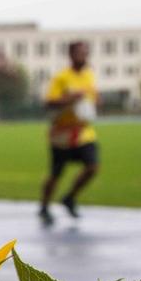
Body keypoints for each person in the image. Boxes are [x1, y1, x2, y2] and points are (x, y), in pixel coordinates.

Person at [39, 41, 100, 226]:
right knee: (55, 174)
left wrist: (96, 101)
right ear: (71, 55)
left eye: (86, 53)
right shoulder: (61, 78)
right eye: (80, 53)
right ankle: (44, 206)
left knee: (93, 167)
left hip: (83, 132)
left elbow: (93, 96)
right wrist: (70, 98)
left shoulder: (89, 75)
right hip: (63, 134)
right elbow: (49, 103)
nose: (84, 56)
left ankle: (70, 197)